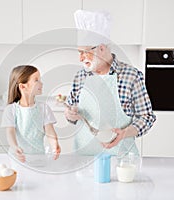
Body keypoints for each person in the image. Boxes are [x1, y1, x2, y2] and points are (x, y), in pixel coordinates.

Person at [65, 10, 156, 155]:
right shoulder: (80, 76)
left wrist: (124, 133)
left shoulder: (131, 76)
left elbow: (146, 117)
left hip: (121, 159)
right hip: (83, 158)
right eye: (79, 52)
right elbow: (71, 115)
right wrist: (70, 114)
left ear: (101, 48)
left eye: (85, 52)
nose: (80, 58)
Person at [1, 65, 61, 162]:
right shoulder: (10, 110)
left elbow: (49, 130)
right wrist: (15, 147)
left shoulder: (44, 108)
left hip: (39, 158)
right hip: (17, 159)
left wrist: (55, 144)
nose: (41, 83)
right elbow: (10, 132)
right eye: (36, 80)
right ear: (23, 86)